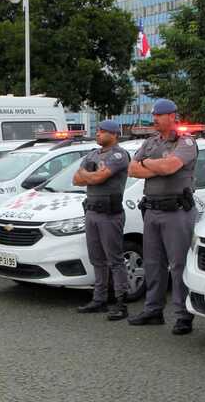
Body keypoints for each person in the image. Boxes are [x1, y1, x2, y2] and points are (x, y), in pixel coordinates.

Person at [127, 98, 199, 335]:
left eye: (159, 115)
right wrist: (156, 164)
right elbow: (132, 169)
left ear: (172, 117)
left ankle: (183, 316)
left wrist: (148, 163)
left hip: (176, 211)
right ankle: (153, 310)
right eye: (154, 115)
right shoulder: (150, 141)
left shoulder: (185, 141)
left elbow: (171, 167)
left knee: (178, 265)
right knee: (153, 263)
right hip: (153, 210)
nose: (154, 119)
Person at [73, 120, 131, 320]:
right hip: (92, 212)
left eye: (103, 131)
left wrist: (88, 175)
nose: (97, 134)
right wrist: (92, 175)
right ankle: (99, 300)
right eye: (97, 131)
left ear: (114, 134)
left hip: (109, 213)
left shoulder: (118, 154)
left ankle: (121, 302)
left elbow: (98, 178)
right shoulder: (93, 154)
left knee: (114, 259)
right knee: (96, 258)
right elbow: (76, 179)